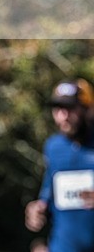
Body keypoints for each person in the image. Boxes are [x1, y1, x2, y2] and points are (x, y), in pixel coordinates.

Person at [25, 78, 94, 252]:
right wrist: (39, 208)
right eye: (57, 109)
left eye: (70, 108)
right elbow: (50, 189)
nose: (63, 116)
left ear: (87, 109)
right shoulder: (53, 147)